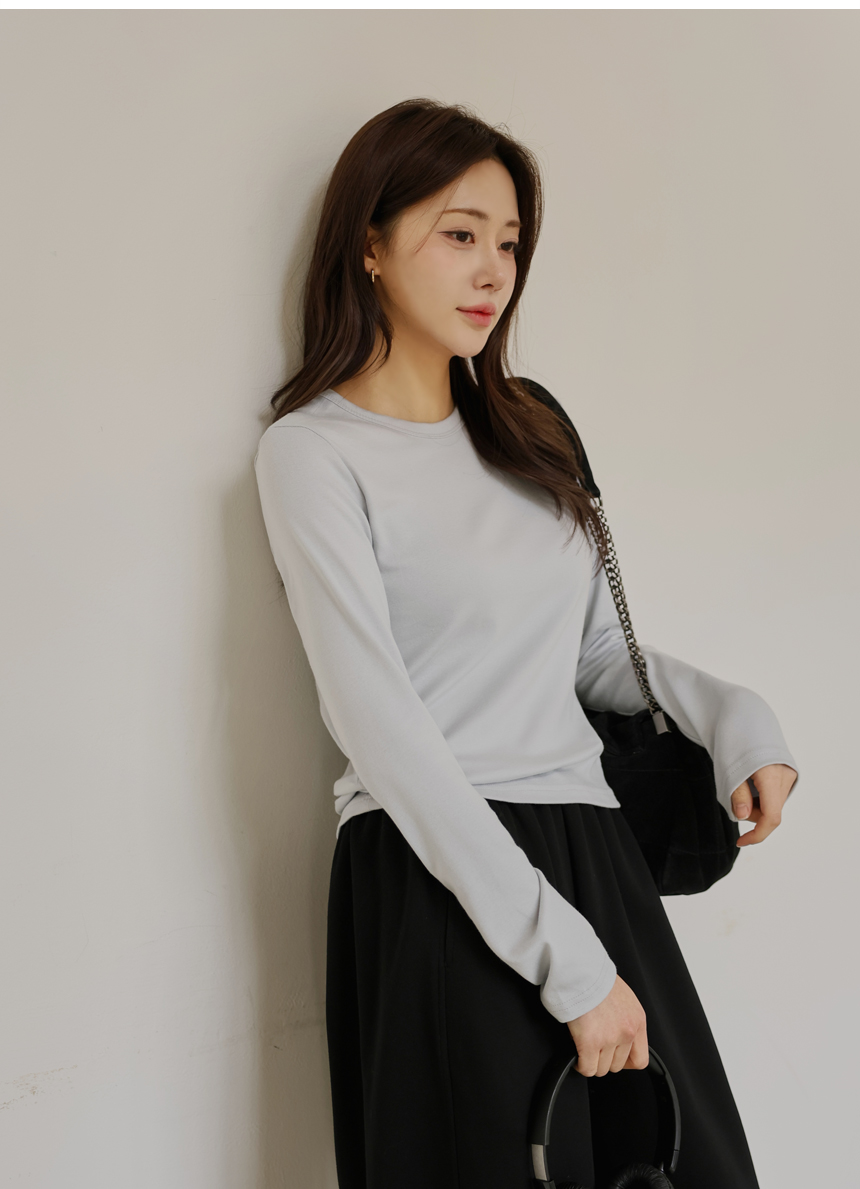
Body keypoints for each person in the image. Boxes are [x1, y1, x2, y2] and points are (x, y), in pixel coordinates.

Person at [254, 98, 798, 1189]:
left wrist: (734, 716)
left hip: (592, 848)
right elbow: (378, 724)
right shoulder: (313, 453)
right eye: (459, 234)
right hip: (438, 867)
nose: (492, 270)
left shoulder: (527, 430)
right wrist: (564, 959)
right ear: (369, 244)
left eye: (508, 243)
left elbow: (592, 656)